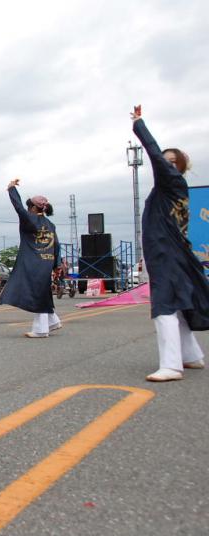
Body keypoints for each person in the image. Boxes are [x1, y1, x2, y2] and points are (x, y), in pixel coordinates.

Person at [131, 107, 208, 381]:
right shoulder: (174, 188)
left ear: (178, 167)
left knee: (163, 304)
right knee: (177, 305)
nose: (164, 163)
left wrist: (139, 125)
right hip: (172, 252)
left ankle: (171, 365)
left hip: (166, 252)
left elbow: (153, 154)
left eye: (170, 160)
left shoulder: (172, 183)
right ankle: (192, 356)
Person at [0, 178, 62, 338]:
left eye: (29, 207)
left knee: (35, 293)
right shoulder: (50, 224)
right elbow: (57, 245)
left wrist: (11, 189)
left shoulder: (29, 219)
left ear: (33, 207)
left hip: (32, 262)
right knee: (43, 292)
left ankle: (41, 330)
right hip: (46, 262)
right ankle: (53, 321)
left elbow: (18, 207)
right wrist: (57, 264)